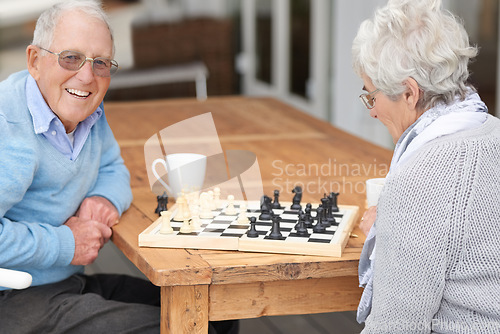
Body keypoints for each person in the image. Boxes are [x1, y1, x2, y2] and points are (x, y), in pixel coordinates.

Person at [0, 1, 238, 333]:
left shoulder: (87, 112)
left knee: (216, 311)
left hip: (64, 281)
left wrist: (104, 199)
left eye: (100, 63)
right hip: (13, 296)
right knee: (184, 328)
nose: (86, 76)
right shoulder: (7, 124)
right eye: (71, 57)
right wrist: (66, 243)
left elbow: (113, 168)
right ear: (35, 61)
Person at [351, 0, 500, 333]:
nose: (372, 111)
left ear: (409, 93)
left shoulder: (418, 180)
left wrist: (400, 213)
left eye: (371, 95)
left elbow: (395, 327)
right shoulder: (493, 131)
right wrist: (395, 224)